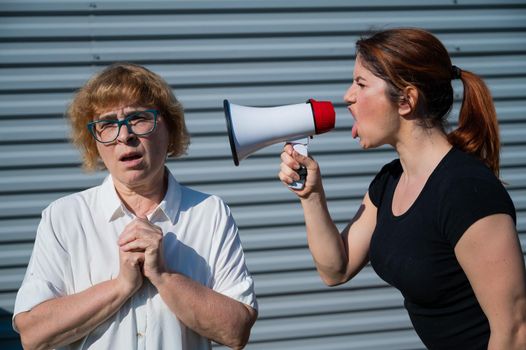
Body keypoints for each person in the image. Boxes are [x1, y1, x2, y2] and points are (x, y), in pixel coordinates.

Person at [279, 28, 526, 349]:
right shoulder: (390, 181)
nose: (347, 96)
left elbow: (515, 330)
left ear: (407, 100)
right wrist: (312, 196)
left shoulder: (466, 191)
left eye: (361, 83)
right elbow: (335, 269)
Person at [13, 63, 258, 350]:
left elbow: (236, 331)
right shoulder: (64, 216)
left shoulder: (210, 212)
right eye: (106, 124)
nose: (124, 135)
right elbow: (33, 335)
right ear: (94, 143)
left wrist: (163, 276)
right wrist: (121, 286)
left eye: (139, 118)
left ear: (170, 129)